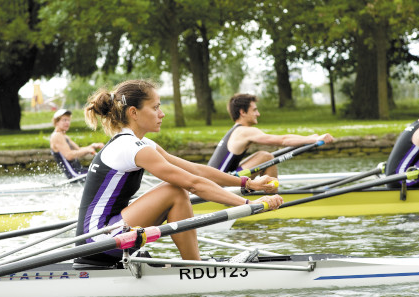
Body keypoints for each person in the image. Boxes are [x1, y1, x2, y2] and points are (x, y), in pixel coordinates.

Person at [76, 80, 283, 267]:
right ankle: (195, 266)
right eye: (155, 107)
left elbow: (195, 169)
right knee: (174, 190)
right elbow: (193, 183)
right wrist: (248, 205)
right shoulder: (130, 147)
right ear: (134, 112)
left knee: (175, 189)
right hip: (97, 241)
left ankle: (194, 264)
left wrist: (247, 184)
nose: (162, 113)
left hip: (107, 234)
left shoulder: (139, 143)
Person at [208, 93, 335, 178]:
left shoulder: (237, 130)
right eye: (255, 110)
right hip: (219, 184)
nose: (258, 114)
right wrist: (313, 139)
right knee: (267, 157)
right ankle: (273, 197)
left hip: (219, 179)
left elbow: (283, 139)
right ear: (242, 112)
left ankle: (267, 191)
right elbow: (282, 140)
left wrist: (309, 139)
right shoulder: (244, 131)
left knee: (264, 156)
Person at [50, 109, 104, 179]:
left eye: (68, 120)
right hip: (75, 174)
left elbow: (79, 150)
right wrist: (88, 150)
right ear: (56, 122)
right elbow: (69, 155)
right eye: (64, 120)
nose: (67, 123)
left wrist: (93, 146)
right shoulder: (57, 136)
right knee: (102, 174)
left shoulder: (64, 136)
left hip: (79, 171)